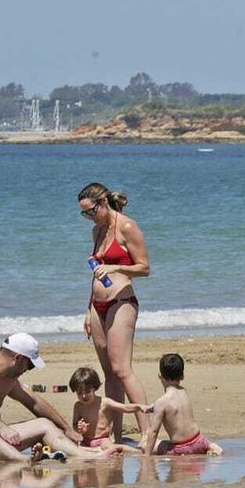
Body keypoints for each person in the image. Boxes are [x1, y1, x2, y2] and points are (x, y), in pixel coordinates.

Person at [0, 333, 103, 462]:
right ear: (18, 358)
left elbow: (34, 402)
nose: (28, 369)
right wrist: (3, 428)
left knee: (45, 424)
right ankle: (25, 462)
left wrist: (67, 429)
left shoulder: (9, 379)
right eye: (29, 365)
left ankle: (84, 455)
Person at [78, 182, 156, 452]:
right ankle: (116, 433)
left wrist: (114, 267)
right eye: (84, 214)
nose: (89, 217)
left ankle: (147, 431)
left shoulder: (126, 226)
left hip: (121, 301)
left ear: (103, 203)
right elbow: (95, 272)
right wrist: (89, 309)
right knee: (109, 373)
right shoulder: (97, 231)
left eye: (91, 211)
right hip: (98, 306)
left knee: (122, 369)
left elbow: (145, 267)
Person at [145, 353, 223, 455]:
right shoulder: (183, 392)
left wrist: (146, 455)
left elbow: (153, 432)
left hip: (181, 448)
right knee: (201, 444)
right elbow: (175, 406)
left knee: (147, 444)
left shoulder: (161, 402)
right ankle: (210, 446)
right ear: (182, 376)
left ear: (159, 375)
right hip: (199, 441)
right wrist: (154, 407)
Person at [68, 366, 147, 453]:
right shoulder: (78, 406)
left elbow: (124, 407)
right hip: (86, 440)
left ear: (94, 388)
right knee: (73, 447)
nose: (84, 396)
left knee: (108, 447)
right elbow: (75, 425)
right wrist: (80, 429)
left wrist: (139, 407)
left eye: (87, 391)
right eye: (79, 393)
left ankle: (138, 452)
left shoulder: (104, 402)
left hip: (103, 439)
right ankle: (97, 451)